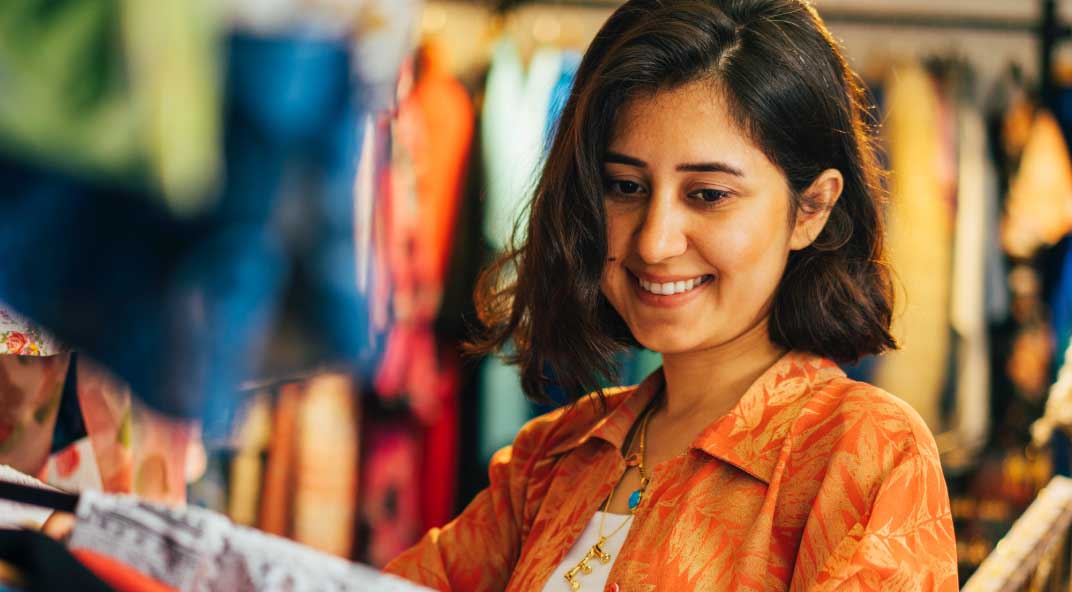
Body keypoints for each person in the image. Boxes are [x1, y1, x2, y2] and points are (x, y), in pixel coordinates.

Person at [385, 0, 958, 590]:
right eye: (625, 186)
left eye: (708, 194)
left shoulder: (864, 453)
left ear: (812, 208)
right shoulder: (552, 456)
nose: (654, 242)